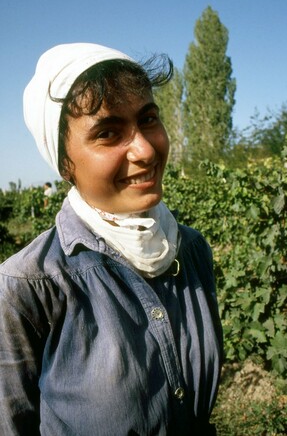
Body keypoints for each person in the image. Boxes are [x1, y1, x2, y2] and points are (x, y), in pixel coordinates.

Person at [0, 43, 222, 435]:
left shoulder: (192, 250)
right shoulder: (26, 287)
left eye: (149, 119)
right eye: (108, 133)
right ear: (65, 164)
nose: (146, 149)